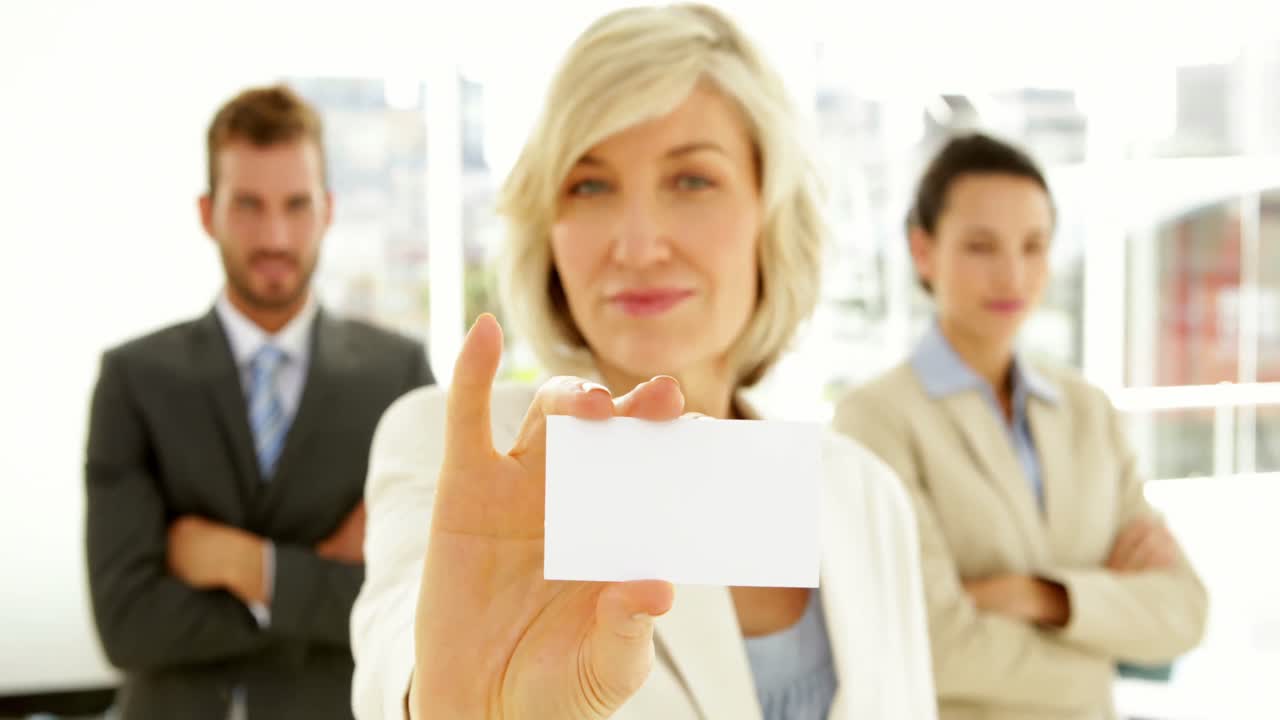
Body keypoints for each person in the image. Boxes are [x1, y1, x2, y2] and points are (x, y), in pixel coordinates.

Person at [351, 5, 936, 719]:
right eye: (589, 186)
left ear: (769, 213)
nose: (636, 243)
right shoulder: (464, 449)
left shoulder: (865, 496)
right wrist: (448, 702)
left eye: (692, 180)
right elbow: (399, 652)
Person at [85, 85, 434, 720]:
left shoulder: (397, 375)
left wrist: (250, 567)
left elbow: (418, 602)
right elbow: (127, 622)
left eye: (296, 205)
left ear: (327, 211)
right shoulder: (133, 379)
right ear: (206, 212)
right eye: (248, 204)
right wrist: (317, 576)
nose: (275, 235)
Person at [834, 133, 1209, 720]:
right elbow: (933, 646)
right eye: (981, 246)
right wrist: (1105, 640)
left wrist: (1040, 596)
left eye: (1033, 246)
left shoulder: (1088, 412)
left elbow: (1183, 612)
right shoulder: (876, 419)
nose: (1012, 274)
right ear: (924, 251)